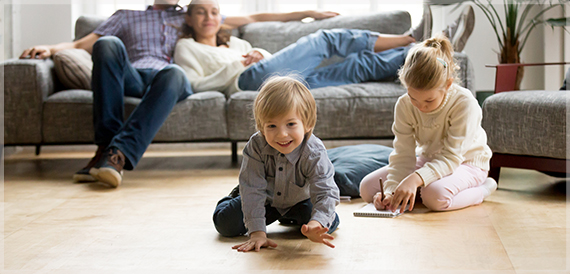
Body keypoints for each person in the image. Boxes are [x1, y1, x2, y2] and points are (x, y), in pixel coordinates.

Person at [19, 0, 339, 188]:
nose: (207, 18)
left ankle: (115, 156)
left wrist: (306, 14)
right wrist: (50, 48)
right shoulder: (125, 15)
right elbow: (79, 45)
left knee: (173, 72)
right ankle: (106, 148)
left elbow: (255, 18)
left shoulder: (191, 13)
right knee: (106, 44)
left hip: (170, 80)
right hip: (133, 76)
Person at [359, 33, 497, 213]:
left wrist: (415, 179)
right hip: (429, 160)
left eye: (429, 101)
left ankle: (483, 188)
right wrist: (391, 191)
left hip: (467, 162)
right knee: (367, 189)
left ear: (448, 85)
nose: (420, 107)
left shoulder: (465, 103)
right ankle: (415, 192)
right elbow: (403, 155)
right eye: (413, 98)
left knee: (434, 197)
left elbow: (451, 157)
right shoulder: (404, 104)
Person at [212, 76, 340, 252]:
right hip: (265, 198)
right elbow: (253, 190)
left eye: (291, 124)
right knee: (225, 224)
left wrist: (315, 223)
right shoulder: (256, 146)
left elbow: (325, 191)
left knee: (327, 224)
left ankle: (292, 217)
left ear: (307, 124)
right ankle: (236, 194)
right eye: (271, 126)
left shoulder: (314, 151)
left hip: (300, 199)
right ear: (261, 127)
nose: (282, 134)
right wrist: (257, 233)